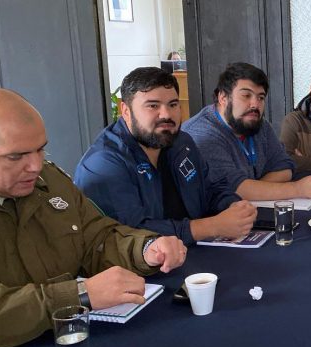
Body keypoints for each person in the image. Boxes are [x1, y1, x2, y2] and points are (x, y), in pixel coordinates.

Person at [0, 89, 186, 347]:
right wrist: (77, 295)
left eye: (40, 150)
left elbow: (96, 238)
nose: (35, 166)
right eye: (15, 156)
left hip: (71, 344)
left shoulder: (51, 182)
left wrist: (145, 249)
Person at [74, 67, 257, 245]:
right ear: (126, 111)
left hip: (195, 251)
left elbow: (210, 189)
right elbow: (131, 235)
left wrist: (234, 207)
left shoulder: (181, 142)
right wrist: (212, 226)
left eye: (173, 104)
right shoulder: (104, 164)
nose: (166, 115)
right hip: (143, 263)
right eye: (153, 106)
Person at [183, 62, 311, 200]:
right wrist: (297, 189)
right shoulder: (202, 134)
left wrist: (254, 189)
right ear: (223, 98)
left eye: (260, 97)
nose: (255, 104)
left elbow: (285, 166)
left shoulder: (259, 124)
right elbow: (233, 188)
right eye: (246, 96)